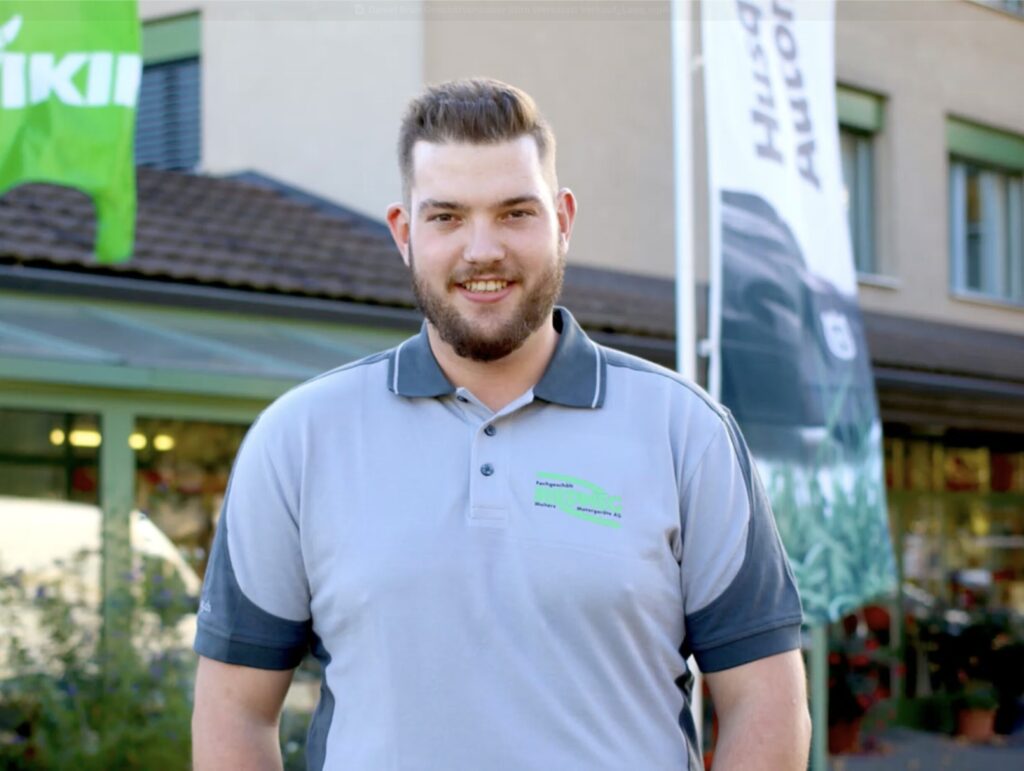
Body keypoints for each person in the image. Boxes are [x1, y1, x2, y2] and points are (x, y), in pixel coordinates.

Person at [191, 78, 811, 770]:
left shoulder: (685, 434)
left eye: (515, 213)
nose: (482, 249)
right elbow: (233, 711)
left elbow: (765, 700)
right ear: (403, 232)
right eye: (447, 217)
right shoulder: (298, 440)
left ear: (563, 220)